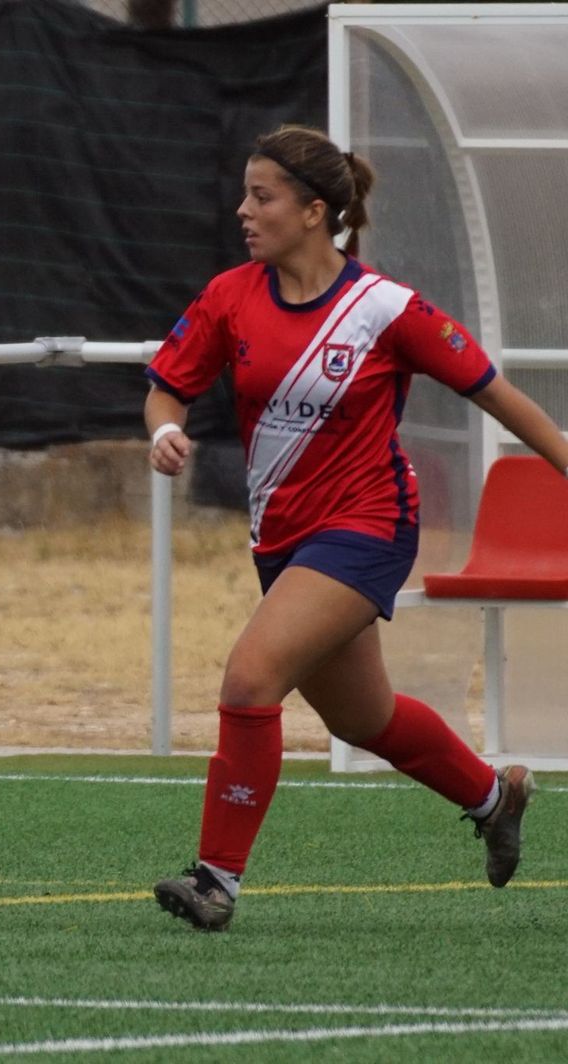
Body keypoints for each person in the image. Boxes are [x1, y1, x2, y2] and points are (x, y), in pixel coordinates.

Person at [145, 124, 568, 931]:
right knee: (361, 719)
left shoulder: (385, 310)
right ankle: (494, 795)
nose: (243, 210)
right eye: (245, 193)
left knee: (249, 679)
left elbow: (496, 393)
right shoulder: (229, 295)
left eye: (260, 196)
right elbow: (168, 385)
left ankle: (216, 882)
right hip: (282, 537)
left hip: (368, 525)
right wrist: (162, 429)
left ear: (313, 211)